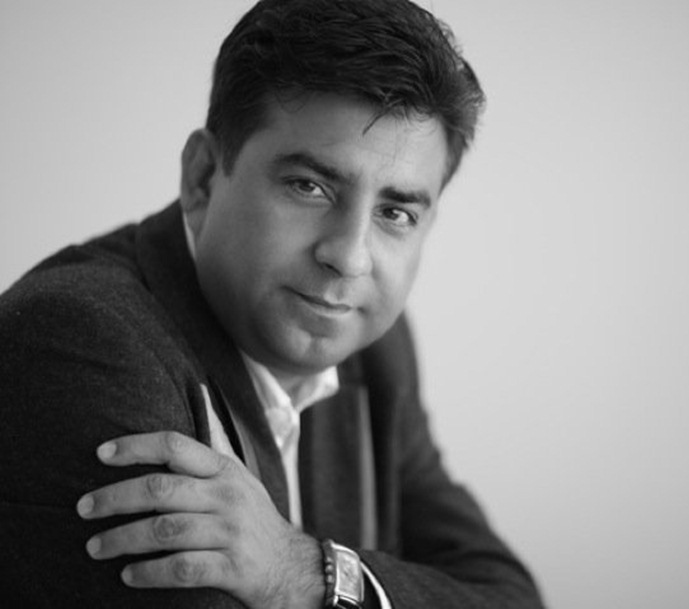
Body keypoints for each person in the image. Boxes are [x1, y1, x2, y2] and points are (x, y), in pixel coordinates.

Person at [0, 0, 544, 607]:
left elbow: (509, 596)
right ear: (203, 177)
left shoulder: (375, 348)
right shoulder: (78, 342)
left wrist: (304, 573)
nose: (350, 258)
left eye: (395, 213)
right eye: (310, 186)